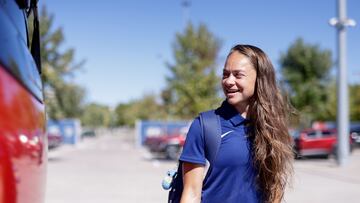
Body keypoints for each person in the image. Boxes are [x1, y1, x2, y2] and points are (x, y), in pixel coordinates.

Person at [179, 44, 293, 203]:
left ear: (259, 79)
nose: (228, 81)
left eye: (238, 75)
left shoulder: (272, 127)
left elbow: (274, 187)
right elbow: (191, 194)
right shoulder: (204, 126)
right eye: (225, 74)